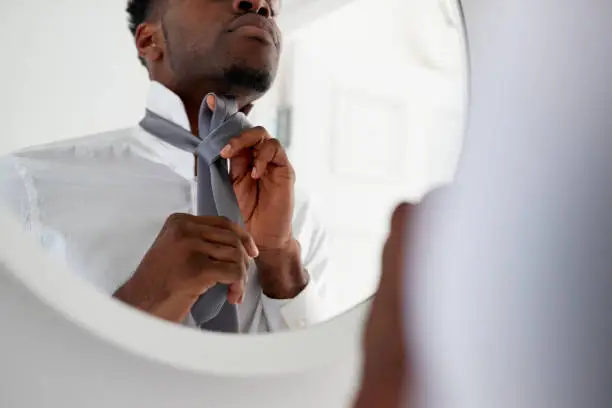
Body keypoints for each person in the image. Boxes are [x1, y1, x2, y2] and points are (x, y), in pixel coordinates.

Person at [0, 0, 331, 333]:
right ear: (149, 40)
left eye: (274, 5)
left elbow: (328, 382)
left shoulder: (300, 219)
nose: (260, 5)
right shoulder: (25, 188)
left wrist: (281, 262)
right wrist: (143, 301)